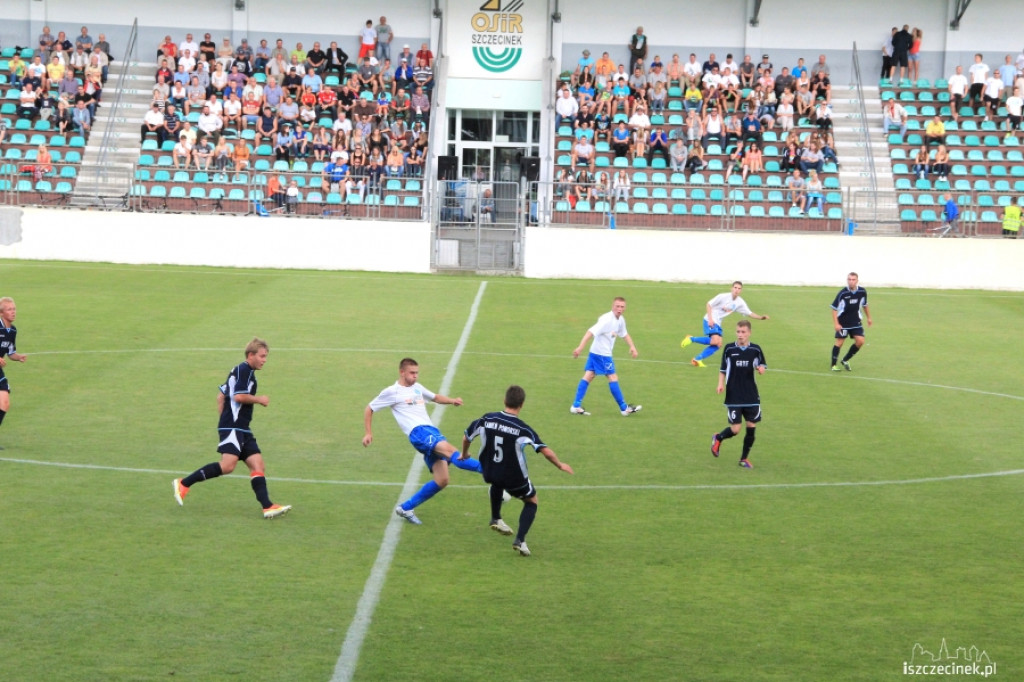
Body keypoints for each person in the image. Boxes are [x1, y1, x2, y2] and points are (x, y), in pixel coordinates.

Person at [173, 338, 291, 519]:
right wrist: (258, 400)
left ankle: (267, 506)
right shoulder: (244, 371)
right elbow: (238, 397)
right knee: (228, 466)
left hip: (240, 428)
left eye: (266, 356)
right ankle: (183, 483)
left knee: (258, 464)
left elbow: (221, 396)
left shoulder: (240, 371)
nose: (264, 360)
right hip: (234, 427)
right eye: (262, 356)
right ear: (251, 355)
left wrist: (225, 420)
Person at [362, 358, 483, 525]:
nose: (415, 376)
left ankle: (405, 508)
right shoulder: (392, 392)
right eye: (412, 373)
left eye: (417, 373)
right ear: (402, 372)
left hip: (430, 431)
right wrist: (368, 433)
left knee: (442, 480)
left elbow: (435, 397)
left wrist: (452, 400)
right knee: (452, 452)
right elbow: (369, 408)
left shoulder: (417, 387)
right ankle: (492, 471)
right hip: (419, 433)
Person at [461, 385, 574, 557]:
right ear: (521, 404)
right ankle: (520, 540)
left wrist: (464, 454)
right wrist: (560, 465)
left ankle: (496, 517)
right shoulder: (522, 429)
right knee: (532, 501)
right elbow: (545, 451)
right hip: (513, 477)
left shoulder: (487, 418)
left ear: (504, 400)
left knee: (496, 482)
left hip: (489, 471)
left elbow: (466, 437)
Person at [569, 297, 641, 416]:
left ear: (625, 308)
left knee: (589, 376)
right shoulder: (606, 320)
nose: (619, 309)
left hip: (595, 352)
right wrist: (580, 347)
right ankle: (624, 408)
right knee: (612, 377)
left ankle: (575, 406)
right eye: (617, 306)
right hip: (602, 354)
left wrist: (632, 346)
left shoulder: (620, 320)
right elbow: (590, 332)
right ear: (613, 306)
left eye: (622, 307)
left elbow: (624, 334)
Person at [709, 320, 767, 469]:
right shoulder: (729, 349)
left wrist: (761, 369)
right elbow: (723, 369)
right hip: (734, 394)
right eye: (738, 332)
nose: (740, 335)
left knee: (751, 426)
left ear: (749, 333)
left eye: (743, 332)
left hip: (751, 395)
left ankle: (744, 459)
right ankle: (718, 438)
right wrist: (720, 384)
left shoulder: (755, 349)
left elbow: (761, 364)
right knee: (735, 429)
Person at [681, 282, 769, 367]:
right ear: (731, 288)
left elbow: (749, 313)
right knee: (715, 341)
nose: (737, 290)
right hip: (710, 319)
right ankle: (691, 339)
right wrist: (710, 319)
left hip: (718, 322)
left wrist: (761, 317)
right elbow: (709, 304)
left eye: (739, 288)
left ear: (741, 291)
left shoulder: (740, 302)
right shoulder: (722, 296)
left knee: (718, 344)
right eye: (735, 287)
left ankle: (697, 359)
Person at [830, 272, 872, 372]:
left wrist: (869, 318)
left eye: (853, 280)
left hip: (856, 321)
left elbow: (865, 305)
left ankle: (845, 360)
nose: (851, 281)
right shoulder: (843, 293)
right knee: (839, 342)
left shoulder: (862, 291)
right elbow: (834, 308)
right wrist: (836, 323)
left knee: (860, 341)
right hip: (843, 323)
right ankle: (833, 365)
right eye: (849, 279)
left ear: (857, 281)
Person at [0, 297, 28, 447]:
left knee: (4, 403)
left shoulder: (12, 330)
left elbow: (10, 353)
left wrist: (18, 357)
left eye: (14, 309)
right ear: (1, 313)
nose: (13, 312)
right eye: (9, 309)